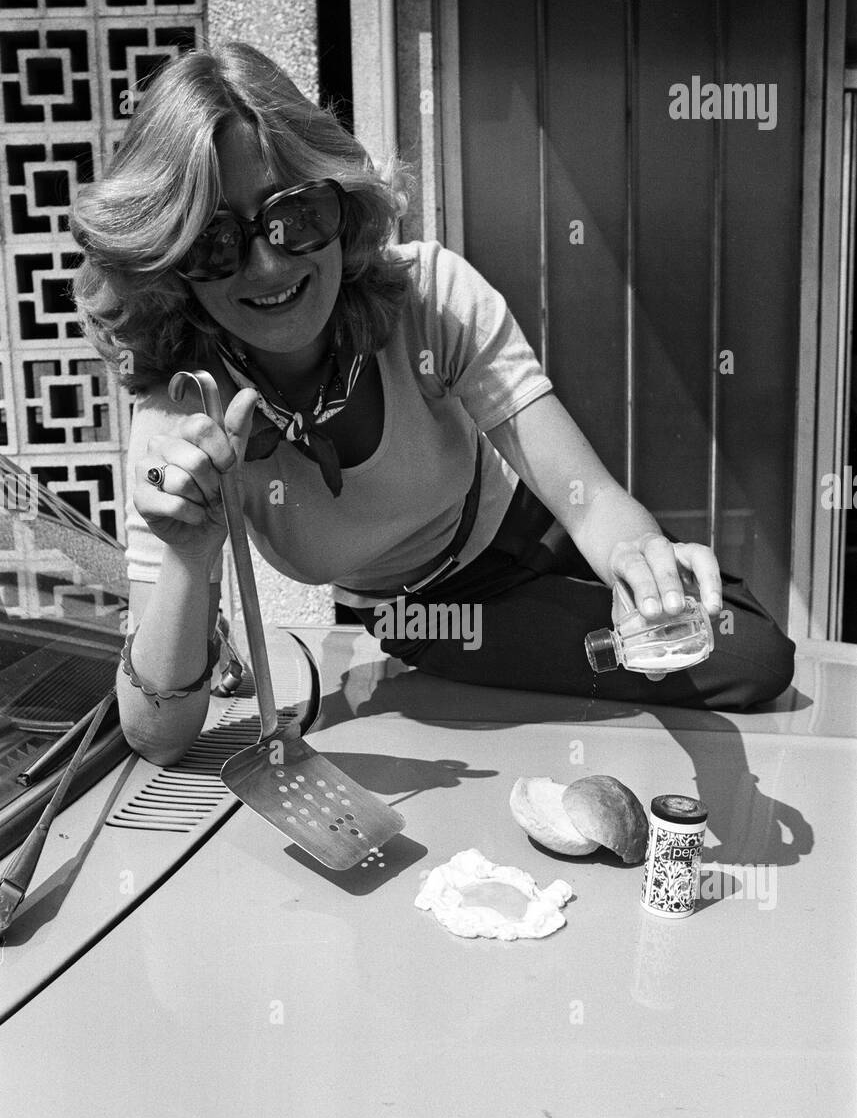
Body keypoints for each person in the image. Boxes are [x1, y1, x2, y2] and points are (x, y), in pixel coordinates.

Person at [70, 42, 795, 766]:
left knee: (741, 646)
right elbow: (156, 737)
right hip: (438, 617)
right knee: (750, 660)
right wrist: (189, 558)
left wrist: (639, 561)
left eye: (295, 215)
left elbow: (588, 504)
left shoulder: (429, 297)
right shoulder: (182, 414)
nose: (267, 264)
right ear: (168, 260)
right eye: (215, 242)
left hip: (536, 527)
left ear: (342, 204)